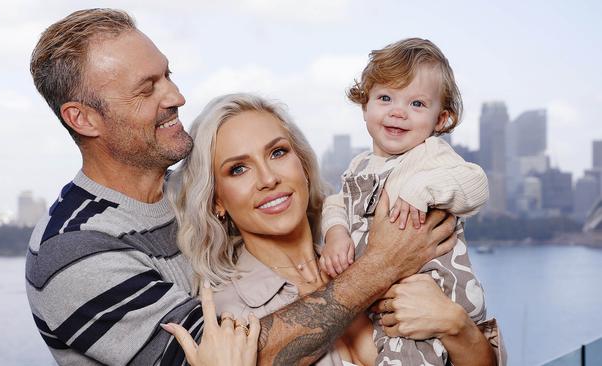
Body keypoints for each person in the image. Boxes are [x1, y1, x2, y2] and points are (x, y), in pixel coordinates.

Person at [25, 8, 463, 365]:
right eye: (147, 89)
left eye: (167, 75)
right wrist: (383, 264)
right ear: (83, 118)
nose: (176, 96)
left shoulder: (186, 193)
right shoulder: (74, 249)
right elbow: (226, 358)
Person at [173, 93, 504, 365]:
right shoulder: (227, 320)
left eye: (277, 152)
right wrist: (381, 265)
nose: (268, 179)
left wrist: (456, 326)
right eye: (238, 169)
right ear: (217, 199)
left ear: (302, 163)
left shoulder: (380, 248)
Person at [319, 38, 498, 365]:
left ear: (440, 119)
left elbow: (476, 184)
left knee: (410, 352)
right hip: (379, 295)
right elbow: (336, 202)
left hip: (429, 292)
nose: (398, 112)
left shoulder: (431, 155)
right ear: (365, 106)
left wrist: (420, 189)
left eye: (417, 104)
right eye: (385, 98)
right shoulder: (359, 166)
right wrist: (336, 234)